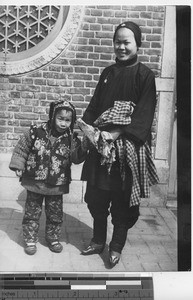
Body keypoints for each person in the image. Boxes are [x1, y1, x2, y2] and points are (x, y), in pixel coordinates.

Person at [79, 21, 159, 267]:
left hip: (126, 151)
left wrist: (116, 135)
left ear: (138, 44)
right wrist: (86, 127)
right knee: (96, 198)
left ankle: (116, 247)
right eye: (118, 42)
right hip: (100, 148)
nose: (121, 47)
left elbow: (144, 115)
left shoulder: (145, 75)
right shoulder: (108, 73)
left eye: (127, 42)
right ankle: (98, 240)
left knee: (122, 202)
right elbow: (95, 105)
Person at [9, 100, 86, 255]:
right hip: (34, 182)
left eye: (67, 120)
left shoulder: (71, 139)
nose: (63, 123)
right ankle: (30, 240)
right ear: (52, 116)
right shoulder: (36, 131)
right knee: (32, 213)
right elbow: (22, 148)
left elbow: (76, 158)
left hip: (57, 184)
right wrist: (18, 165)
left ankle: (53, 238)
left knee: (55, 215)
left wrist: (84, 147)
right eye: (60, 119)